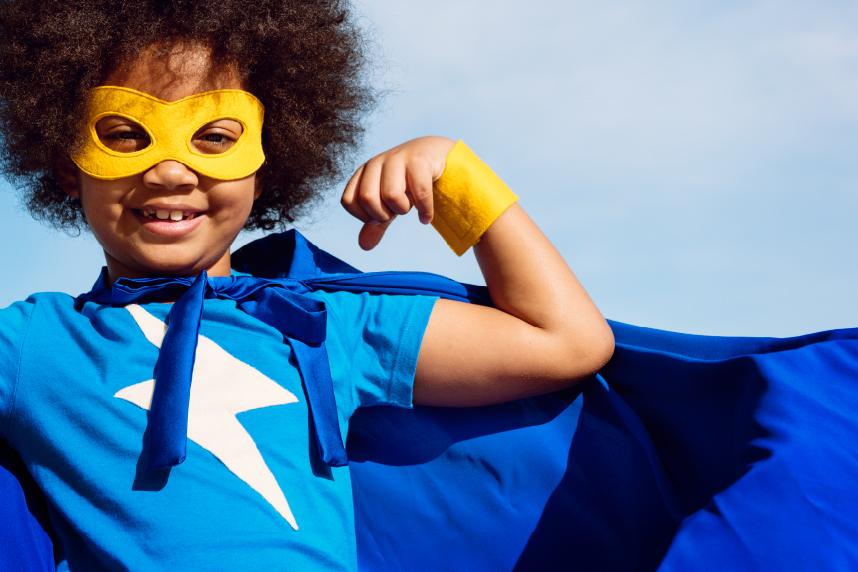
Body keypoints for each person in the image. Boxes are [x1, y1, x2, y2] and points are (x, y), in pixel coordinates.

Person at [0, 1, 614, 569]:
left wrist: (458, 178)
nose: (168, 170)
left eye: (214, 137)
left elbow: (565, 341)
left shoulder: (322, 325)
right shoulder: (31, 343)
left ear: (268, 164)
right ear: (66, 159)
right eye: (125, 133)